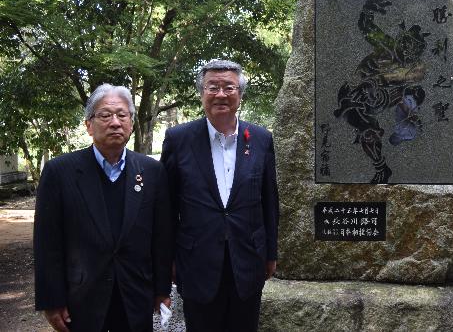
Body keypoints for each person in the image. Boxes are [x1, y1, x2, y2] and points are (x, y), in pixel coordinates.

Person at [34, 84, 173, 332]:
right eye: (105, 115)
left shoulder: (152, 171)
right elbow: (47, 242)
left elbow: (161, 237)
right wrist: (51, 300)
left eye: (122, 115)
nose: (115, 122)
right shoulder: (59, 172)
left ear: (131, 123)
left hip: (135, 295)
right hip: (81, 298)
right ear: (89, 124)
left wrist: (161, 289)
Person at [161, 59, 279, 331]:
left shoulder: (260, 138)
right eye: (212, 87)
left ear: (240, 93)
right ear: (201, 93)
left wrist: (270, 252)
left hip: (248, 258)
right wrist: (167, 259)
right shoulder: (179, 139)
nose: (221, 95)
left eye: (229, 87)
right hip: (196, 260)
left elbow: (269, 200)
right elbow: (165, 207)